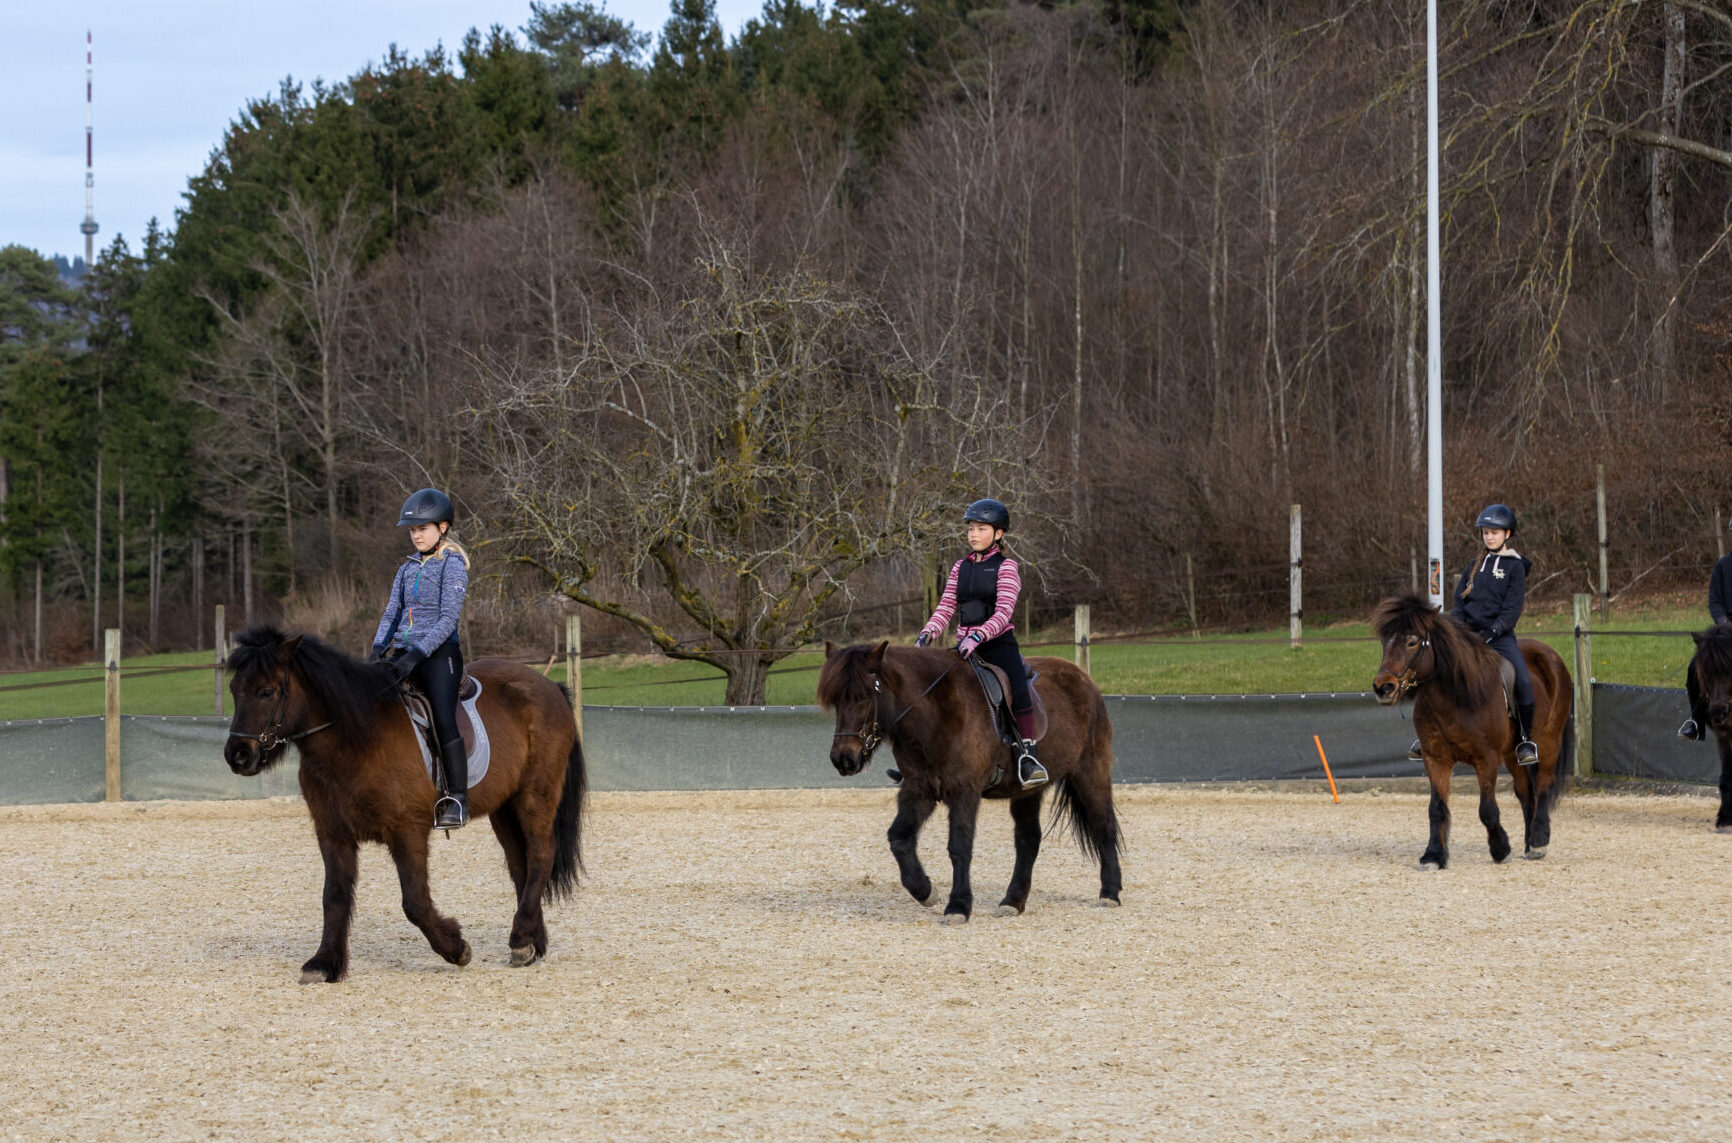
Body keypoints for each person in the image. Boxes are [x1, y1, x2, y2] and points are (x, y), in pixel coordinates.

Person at [916, 498, 1048, 789]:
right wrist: (927, 634)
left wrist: (978, 635)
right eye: (971, 529)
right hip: (963, 647)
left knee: (1018, 687)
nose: (973, 534)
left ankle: (1027, 754)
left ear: (998, 534)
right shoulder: (959, 567)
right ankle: (923, 759)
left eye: (981, 529)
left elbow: (1003, 613)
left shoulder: (1007, 568)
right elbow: (946, 606)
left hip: (998, 645)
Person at [372, 488, 472, 828]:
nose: (416, 534)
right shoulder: (406, 568)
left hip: (439, 654)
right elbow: (391, 613)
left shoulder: (453, 565)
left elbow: (447, 620)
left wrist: (418, 653)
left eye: (423, 528)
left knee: (443, 716)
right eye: (412, 529)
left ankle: (457, 798)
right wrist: (377, 648)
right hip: (402, 651)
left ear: (442, 528)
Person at [1447, 503, 1537, 765]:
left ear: (1507, 534)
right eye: (1486, 532)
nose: (1489, 537)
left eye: (1495, 532)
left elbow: (1511, 609)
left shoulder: (1515, 567)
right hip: (1468, 637)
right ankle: (1434, 732)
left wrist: (1492, 631)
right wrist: (1459, 631)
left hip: (1499, 637)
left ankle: (1524, 739)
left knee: (1522, 680)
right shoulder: (1474, 565)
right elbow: (1459, 603)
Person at [1677, 516, 1732, 740]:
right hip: (1726, 631)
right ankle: (1695, 722)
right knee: (1694, 667)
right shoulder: (1723, 566)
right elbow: (1715, 601)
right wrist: (1723, 623)